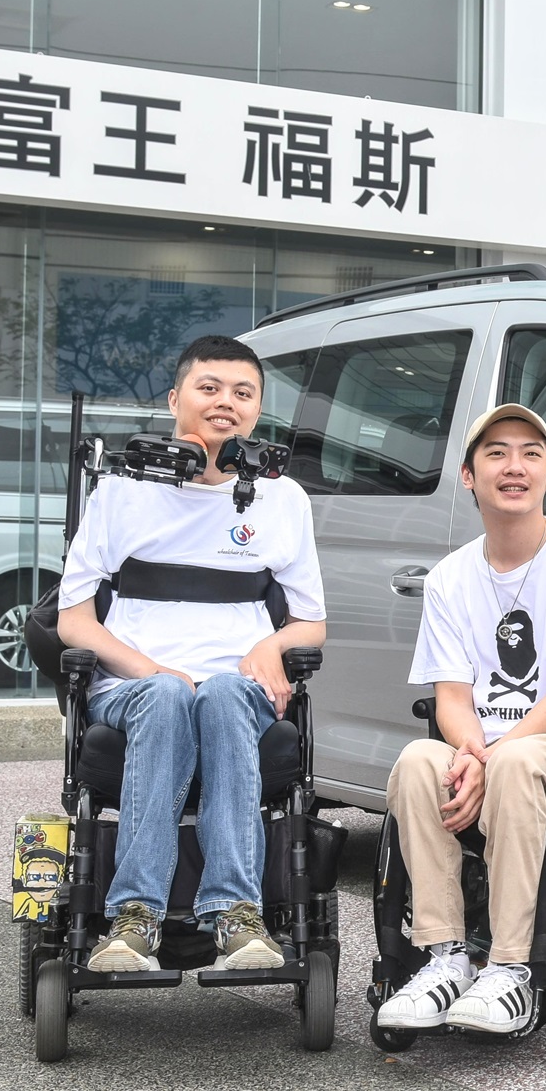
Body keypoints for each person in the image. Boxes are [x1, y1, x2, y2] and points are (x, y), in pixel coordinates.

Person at [56, 335, 327, 974]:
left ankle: (236, 914)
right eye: (209, 388)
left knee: (225, 691)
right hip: (134, 687)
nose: (225, 402)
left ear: (258, 408)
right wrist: (155, 672)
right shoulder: (119, 493)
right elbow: (73, 621)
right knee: (168, 694)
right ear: (176, 399)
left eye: (242, 392)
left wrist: (272, 643)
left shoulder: (284, 500)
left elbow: (311, 624)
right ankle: (135, 917)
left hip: (236, 686)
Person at [374, 403, 546, 1035]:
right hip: (486, 748)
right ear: (469, 476)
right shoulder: (450, 578)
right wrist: (471, 753)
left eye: (530, 454)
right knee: (418, 760)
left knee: (516, 761)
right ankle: (445, 957)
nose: (514, 466)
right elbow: (451, 699)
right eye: (496, 453)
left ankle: (513, 967)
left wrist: (489, 759)